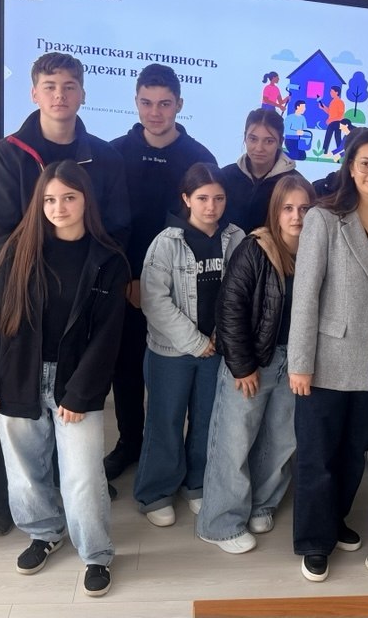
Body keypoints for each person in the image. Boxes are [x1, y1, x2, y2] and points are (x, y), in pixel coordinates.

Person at [0, 51, 130, 536]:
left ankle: (77, 492)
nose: (59, 95)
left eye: (69, 86)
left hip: (85, 294)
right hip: (27, 296)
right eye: (50, 86)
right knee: (17, 406)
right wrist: (37, 275)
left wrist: (89, 277)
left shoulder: (105, 156)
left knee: (76, 404)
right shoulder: (9, 153)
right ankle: (9, 495)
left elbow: (118, 227)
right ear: (34, 93)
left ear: (82, 93)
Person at [0, 160, 128, 598]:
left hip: (76, 383)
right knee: (24, 471)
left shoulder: (108, 259)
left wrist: (80, 392)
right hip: (18, 375)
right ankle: (44, 533)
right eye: (50, 200)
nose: (59, 208)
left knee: (82, 476)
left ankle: (95, 554)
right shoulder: (18, 251)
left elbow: (108, 337)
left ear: (86, 200)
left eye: (69, 198)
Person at [288, 128, 368, 582]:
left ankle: (335, 518)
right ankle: (313, 541)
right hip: (327, 357)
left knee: (354, 449)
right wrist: (300, 363)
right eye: (365, 163)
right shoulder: (324, 218)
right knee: (317, 453)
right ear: (350, 167)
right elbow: (305, 295)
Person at [105, 63, 219, 483]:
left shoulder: (200, 158)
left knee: (181, 376)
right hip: (127, 285)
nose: (155, 112)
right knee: (126, 368)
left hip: (186, 290)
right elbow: (107, 224)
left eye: (165, 103)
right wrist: (129, 277)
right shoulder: (114, 153)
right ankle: (130, 443)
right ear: (136, 102)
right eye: (147, 102)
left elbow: (205, 228)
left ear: (179, 105)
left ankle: (184, 454)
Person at [198, 176, 316, 553]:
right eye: (288, 208)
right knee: (234, 441)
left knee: (281, 438)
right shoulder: (255, 247)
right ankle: (220, 523)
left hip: (294, 361)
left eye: (304, 208)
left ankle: (262, 503)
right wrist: (242, 365)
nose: (297, 216)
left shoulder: (317, 250)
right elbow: (229, 308)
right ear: (275, 211)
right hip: (253, 359)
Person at [135, 164, 244, 527]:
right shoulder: (166, 243)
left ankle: (196, 482)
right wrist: (196, 342)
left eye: (218, 198)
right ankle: (155, 492)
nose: (211, 206)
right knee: (164, 421)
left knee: (207, 420)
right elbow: (154, 301)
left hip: (218, 350)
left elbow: (242, 292)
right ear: (186, 199)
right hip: (172, 352)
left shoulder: (236, 237)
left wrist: (221, 339)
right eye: (202, 198)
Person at [220, 109, 302, 233]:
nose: (259, 148)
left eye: (269, 141)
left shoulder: (295, 184)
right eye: (253, 139)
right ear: (245, 138)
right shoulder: (225, 177)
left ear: (280, 142)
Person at [319, 86, 346, 157]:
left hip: (337, 123)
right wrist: (323, 108)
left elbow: (340, 115)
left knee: (337, 138)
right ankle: (324, 152)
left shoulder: (340, 102)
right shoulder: (333, 101)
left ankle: (340, 154)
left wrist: (330, 120)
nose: (330, 92)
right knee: (328, 137)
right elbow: (330, 112)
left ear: (336, 92)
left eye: (332, 91)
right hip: (332, 122)